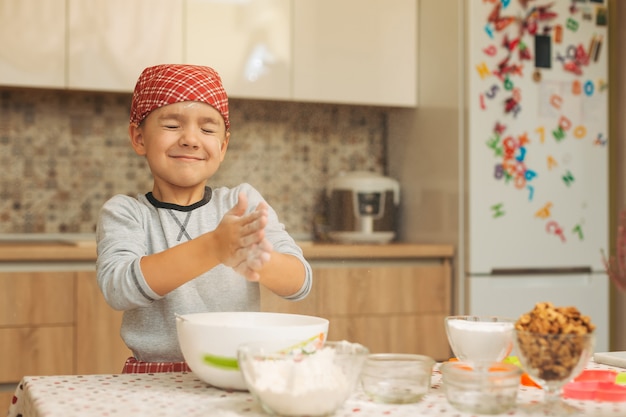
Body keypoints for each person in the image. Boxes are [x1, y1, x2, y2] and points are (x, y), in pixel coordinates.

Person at [95, 64, 312, 373]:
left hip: (236, 371)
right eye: (172, 125)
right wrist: (214, 247)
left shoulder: (243, 203)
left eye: (208, 129)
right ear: (138, 137)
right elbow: (119, 289)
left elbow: (300, 281)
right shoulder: (126, 213)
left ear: (222, 146)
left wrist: (260, 260)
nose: (191, 139)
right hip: (153, 378)